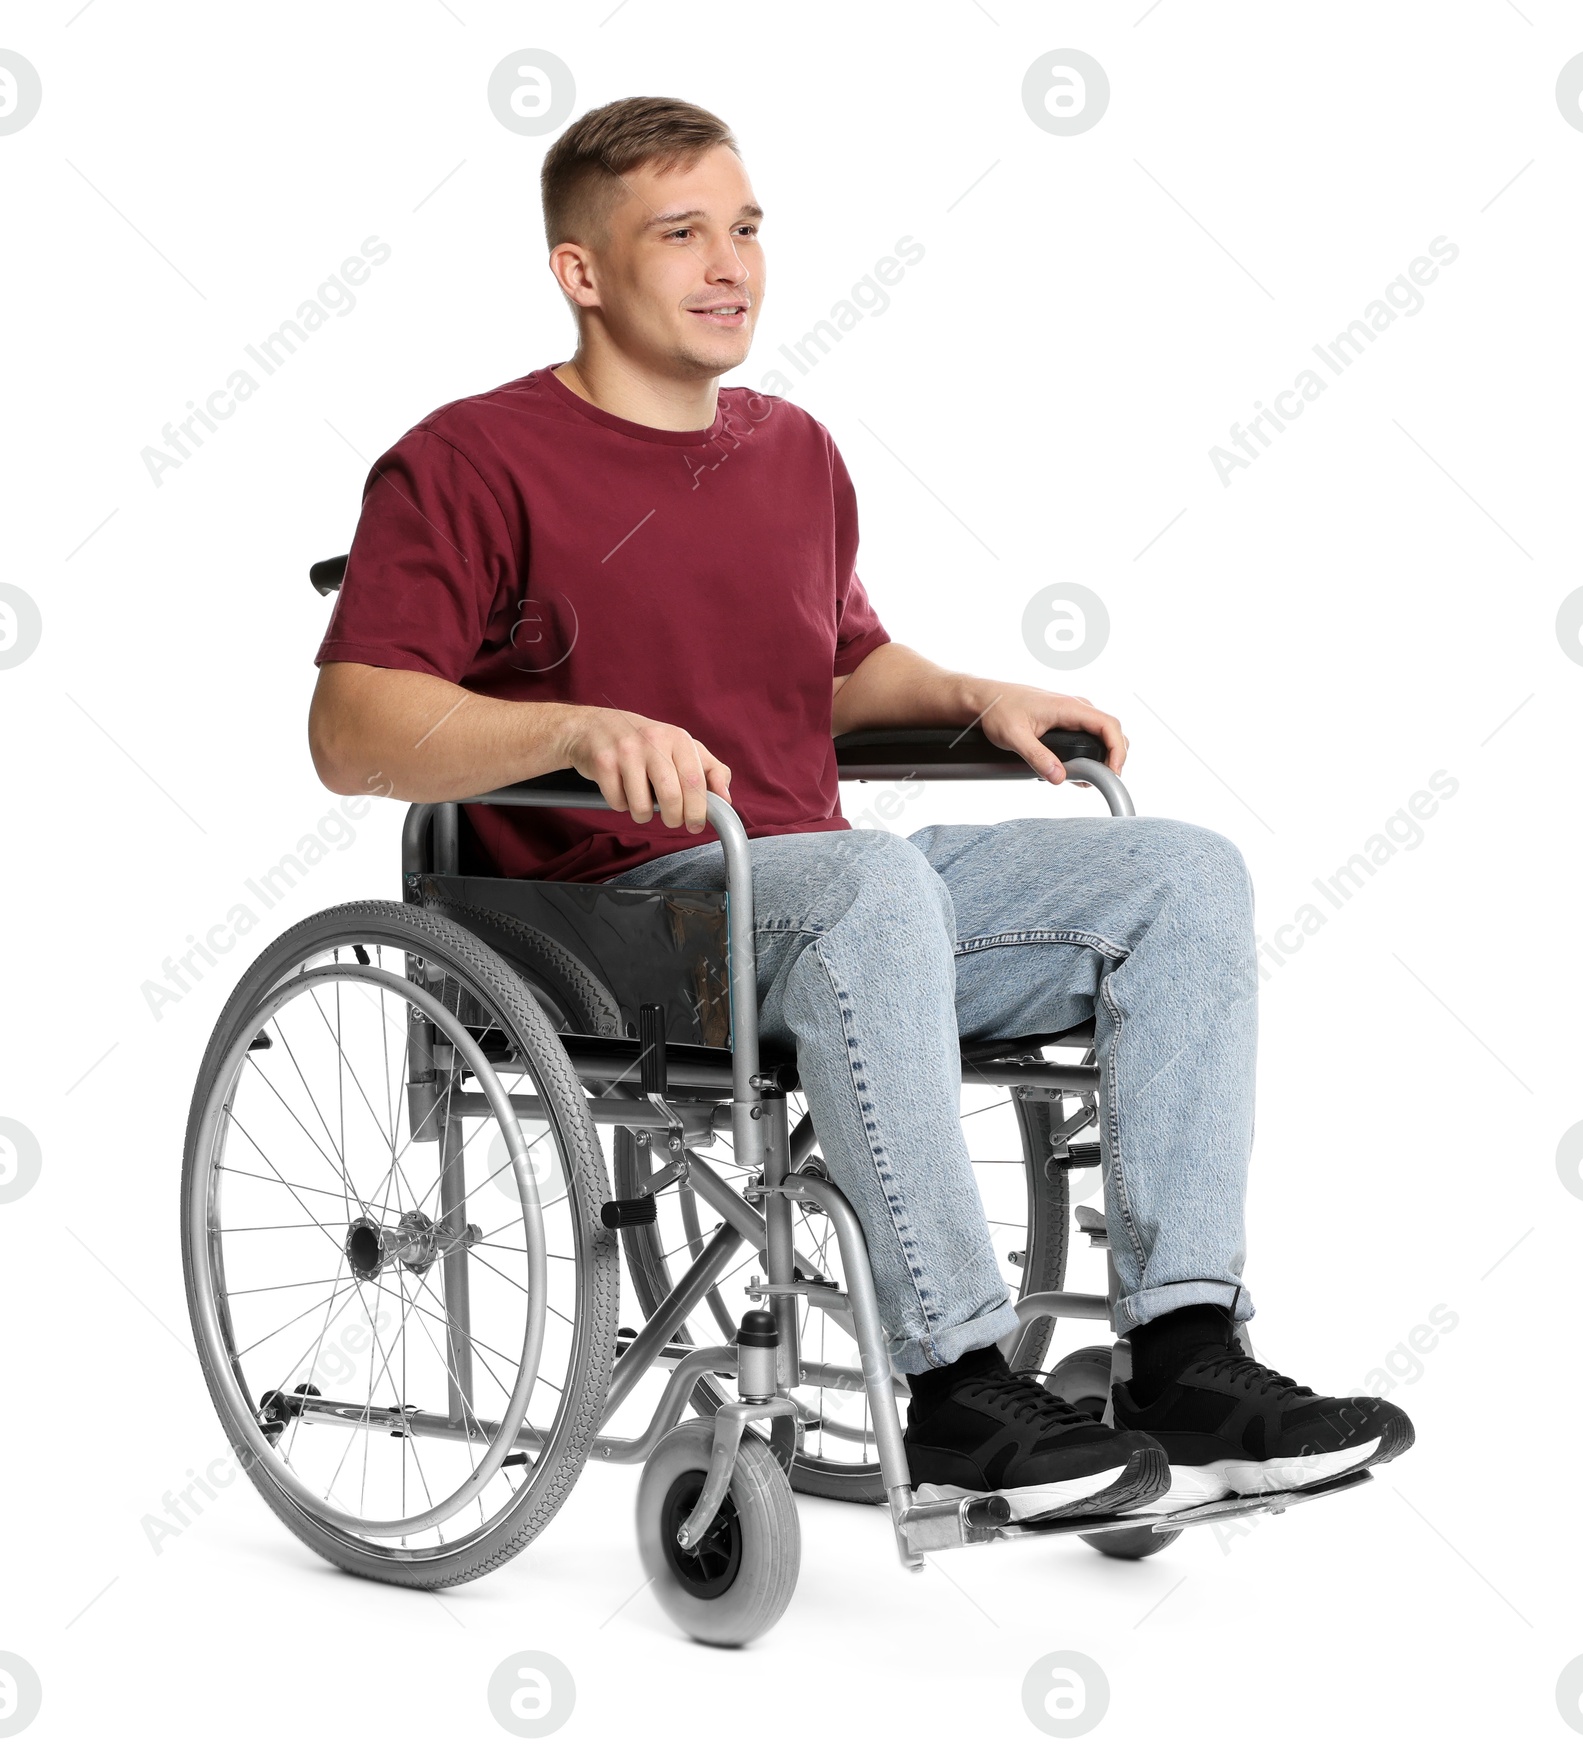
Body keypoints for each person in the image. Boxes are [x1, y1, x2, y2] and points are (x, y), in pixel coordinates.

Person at [309, 95, 1413, 1522]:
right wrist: (576, 723)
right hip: (613, 917)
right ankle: (957, 1381)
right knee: (868, 883)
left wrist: (963, 693)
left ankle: (1186, 1354)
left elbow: (825, 671)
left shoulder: (792, 452)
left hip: (809, 892)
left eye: (749, 229)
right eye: (683, 234)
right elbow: (352, 728)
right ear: (580, 272)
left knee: (1180, 875)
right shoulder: (468, 462)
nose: (732, 267)